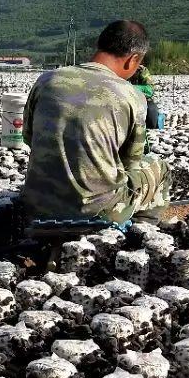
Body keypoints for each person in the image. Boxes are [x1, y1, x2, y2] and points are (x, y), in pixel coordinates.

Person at [22, 20, 169, 227]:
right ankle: (140, 232)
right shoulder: (131, 96)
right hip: (98, 212)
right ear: (133, 60)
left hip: (36, 205)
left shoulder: (46, 81)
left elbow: (28, 137)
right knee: (158, 167)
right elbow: (131, 162)